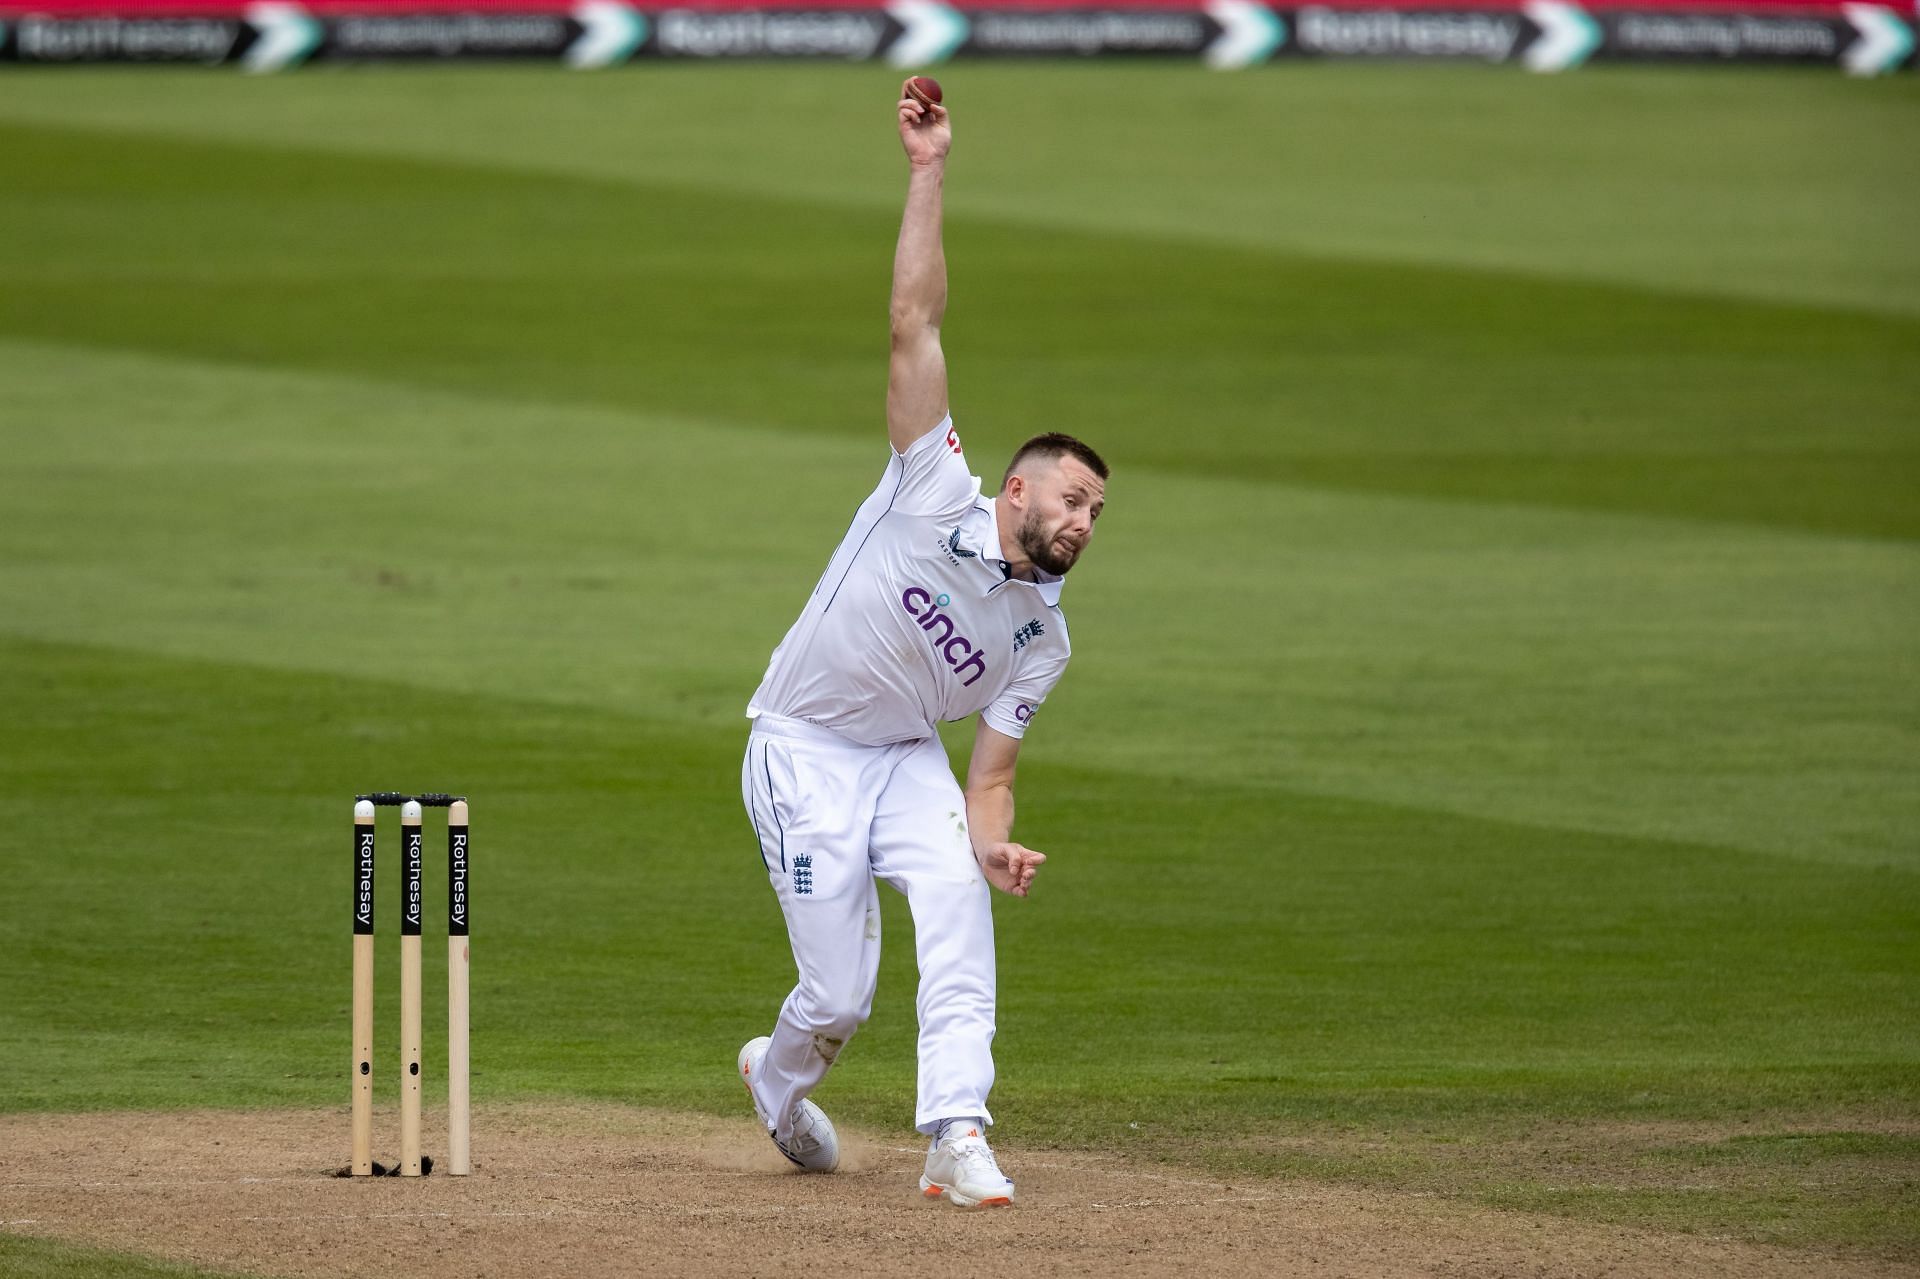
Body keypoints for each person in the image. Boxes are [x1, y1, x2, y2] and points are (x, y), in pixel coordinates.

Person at [734, 80, 1109, 1209]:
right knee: (837, 998)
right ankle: (777, 1082)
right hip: (800, 744)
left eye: (1098, 514)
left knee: (956, 899)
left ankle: (957, 1131)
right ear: (1019, 486)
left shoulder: (1043, 639)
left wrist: (992, 845)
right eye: (1075, 500)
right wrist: (929, 169)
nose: (1084, 524)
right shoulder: (929, 483)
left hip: (903, 758)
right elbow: (916, 322)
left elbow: (988, 776)